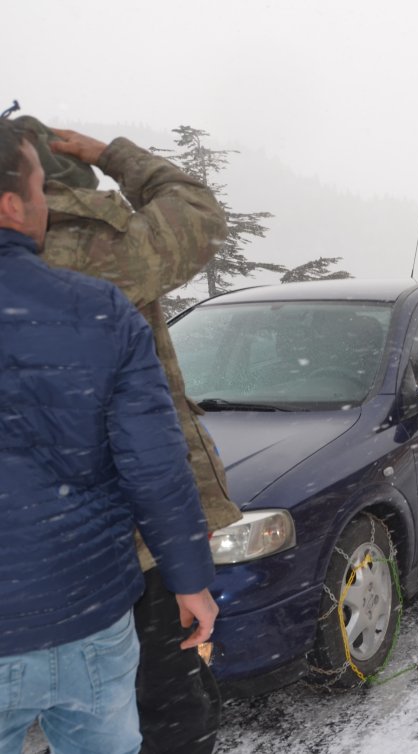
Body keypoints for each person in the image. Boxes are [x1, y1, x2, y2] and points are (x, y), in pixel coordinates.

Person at [11, 114, 243, 754]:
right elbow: (196, 208)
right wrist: (113, 153)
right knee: (162, 708)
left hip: (23, 555)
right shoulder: (108, 247)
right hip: (122, 544)